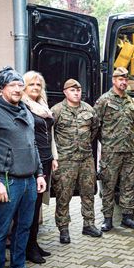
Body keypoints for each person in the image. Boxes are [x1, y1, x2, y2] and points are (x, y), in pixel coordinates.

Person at [0, 66, 46, 268]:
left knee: (23, 228)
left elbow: (32, 143)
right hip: (7, 181)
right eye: (12, 85)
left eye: (20, 85)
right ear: (2, 87)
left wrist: (40, 173)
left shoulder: (25, 110)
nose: (17, 89)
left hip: (29, 181)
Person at [51, 78, 102, 242]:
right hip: (65, 160)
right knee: (63, 195)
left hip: (86, 159)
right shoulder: (56, 110)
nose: (76, 92)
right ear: (65, 92)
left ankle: (89, 224)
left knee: (88, 193)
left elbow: (94, 130)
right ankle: (63, 229)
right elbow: (50, 134)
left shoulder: (89, 110)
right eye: (72, 90)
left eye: (78, 90)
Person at [94, 67, 134, 231]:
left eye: (125, 79)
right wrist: (107, 143)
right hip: (111, 152)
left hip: (128, 151)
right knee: (109, 186)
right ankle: (107, 219)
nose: (123, 82)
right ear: (114, 80)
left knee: (128, 185)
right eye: (120, 79)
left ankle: (127, 218)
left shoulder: (130, 101)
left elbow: (131, 124)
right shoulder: (104, 100)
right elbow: (95, 126)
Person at [18, 71, 58, 263]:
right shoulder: (23, 107)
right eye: (31, 84)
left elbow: (50, 135)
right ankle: (27, 248)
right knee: (30, 207)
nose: (35, 87)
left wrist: (54, 157)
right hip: (33, 162)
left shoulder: (43, 106)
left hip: (46, 160)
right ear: (24, 87)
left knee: (37, 207)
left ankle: (33, 243)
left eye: (38, 85)